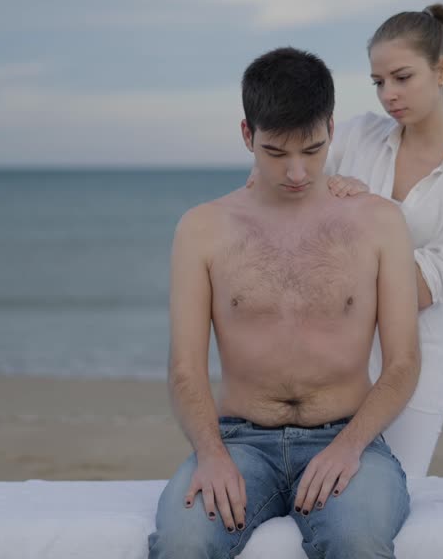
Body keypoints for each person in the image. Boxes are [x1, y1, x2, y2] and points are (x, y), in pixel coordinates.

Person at [148, 47, 421, 559]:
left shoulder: (379, 223)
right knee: (183, 542)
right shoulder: (202, 229)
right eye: (276, 153)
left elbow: (404, 362)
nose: (297, 172)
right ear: (248, 135)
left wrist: (349, 446)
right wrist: (210, 455)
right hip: (239, 442)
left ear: (331, 130)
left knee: (358, 543)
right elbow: (185, 369)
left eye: (313, 150)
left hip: (348, 436)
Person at [323, 4, 443, 480]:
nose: (389, 94)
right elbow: (286, 195)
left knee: (388, 510)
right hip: (326, 368)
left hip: (416, 385)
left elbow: (424, 290)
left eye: (402, 77)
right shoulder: (357, 137)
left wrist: (364, 214)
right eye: (379, 82)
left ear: (441, 71)